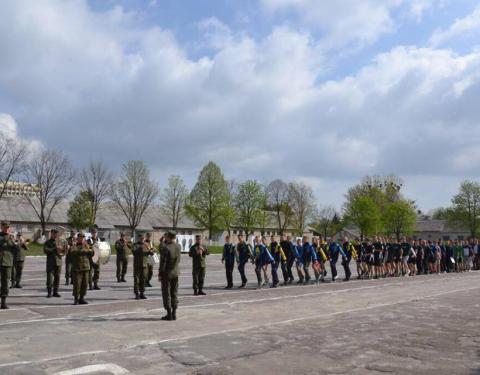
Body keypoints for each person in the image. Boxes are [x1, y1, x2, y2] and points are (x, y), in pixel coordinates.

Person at [158, 231, 181, 321]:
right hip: (175, 272)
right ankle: (174, 313)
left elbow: (163, 262)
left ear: (168, 237)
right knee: (174, 292)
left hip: (167, 273)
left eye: (166, 236)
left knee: (166, 293)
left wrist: (160, 274)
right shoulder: (178, 246)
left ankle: (169, 314)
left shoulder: (166, 247)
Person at [70, 232, 93, 305]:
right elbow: (75, 252)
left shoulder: (86, 245)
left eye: (83, 237)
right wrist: (85, 249)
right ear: (78, 238)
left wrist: (89, 249)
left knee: (85, 284)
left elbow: (92, 253)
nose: (82, 239)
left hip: (86, 267)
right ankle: (76, 299)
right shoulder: (74, 245)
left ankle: (82, 298)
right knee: (77, 284)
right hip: (77, 268)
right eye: (81, 237)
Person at [43, 229, 65, 298]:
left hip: (58, 262)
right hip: (51, 262)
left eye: (56, 233)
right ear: (51, 234)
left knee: (57, 277)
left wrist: (64, 248)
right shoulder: (48, 242)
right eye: (54, 233)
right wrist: (55, 248)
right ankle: (49, 292)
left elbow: (63, 251)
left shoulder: (60, 241)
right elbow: (46, 250)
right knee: (49, 278)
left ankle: (55, 292)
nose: (55, 235)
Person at [132, 233, 152, 300]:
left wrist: (150, 250)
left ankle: (142, 293)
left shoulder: (146, 245)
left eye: (143, 238)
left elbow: (151, 253)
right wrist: (142, 247)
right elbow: (134, 252)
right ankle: (137, 293)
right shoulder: (135, 245)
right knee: (136, 280)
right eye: (141, 238)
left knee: (143, 280)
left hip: (144, 265)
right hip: (137, 265)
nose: (142, 239)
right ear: (138, 238)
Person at [0, 221, 15, 309]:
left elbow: (16, 248)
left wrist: (14, 241)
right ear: (1, 226)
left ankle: (3, 302)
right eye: (5, 227)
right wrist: (6, 238)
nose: (7, 229)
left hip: (8, 262)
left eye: (8, 227)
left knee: (6, 282)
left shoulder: (11, 237)